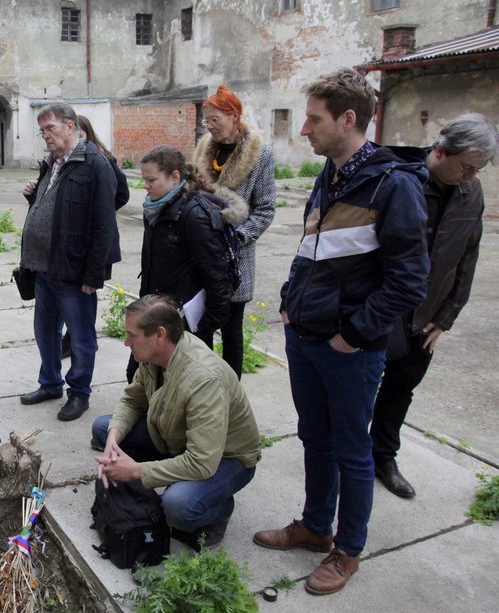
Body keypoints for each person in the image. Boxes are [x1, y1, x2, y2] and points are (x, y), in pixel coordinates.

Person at [253, 68, 429, 596]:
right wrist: (288, 304)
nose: (304, 129)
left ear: (347, 119)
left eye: (313, 119)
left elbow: (409, 282)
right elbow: (312, 252)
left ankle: (347, 549)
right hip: (304, 336)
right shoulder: (330, 175)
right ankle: (314, 525)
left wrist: (353, 334)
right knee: (315, 438)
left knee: (353, 449)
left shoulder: (394, 184)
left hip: (347, 348)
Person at [370, 113, 499, 499]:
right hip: (382, 313)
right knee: (357, 391)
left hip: (425, 319)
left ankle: (383, 457)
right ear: (441, 151)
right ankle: (348, 458)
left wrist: (445, 318)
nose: (471, 177)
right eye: (467, 167)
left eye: (478, 170)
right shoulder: (398, 181)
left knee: (401, 389)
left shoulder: (470, 193)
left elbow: (468, 256)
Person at [92, 294, 260, 550]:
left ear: (159, 334)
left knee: (178, 506)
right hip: (175, 436)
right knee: (104, 429)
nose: (126, 342)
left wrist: (137, 471)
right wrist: (114, 440)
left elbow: (202, 462)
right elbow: (132, 400)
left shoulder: (203, 380)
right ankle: (173, 474)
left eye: (132, 336)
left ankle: (219, 508)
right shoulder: (155, 356)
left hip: (225, 458)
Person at [19, 102, 118, 421]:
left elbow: (104, 224)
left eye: (50, 128)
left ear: (71, 126)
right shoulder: (52, 163)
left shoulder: (94, 164)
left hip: (75, 271)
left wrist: (93, 274)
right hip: (44, 268)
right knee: (45, 331)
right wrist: (35, 197)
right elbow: (56, 209)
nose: (45, 135)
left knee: (81, 335)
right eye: (42, 130)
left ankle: (79, 393)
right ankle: (50, 383)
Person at [126, 145, 236, 382]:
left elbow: (217, 279)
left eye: (151, 179)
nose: (145, 185)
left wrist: (201, 329)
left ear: (175, 177)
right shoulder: (157, 209)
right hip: (153, 314)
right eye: (144, 179)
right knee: (139, 379)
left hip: (181, 325)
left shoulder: (193, 215)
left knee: (178, 389)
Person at [193, 84, 277, 379]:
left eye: (215, 119)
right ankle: (201, 384)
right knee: (198, 324)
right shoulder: (205, 150)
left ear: (234, 116)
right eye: (207, 120)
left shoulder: (259, 155)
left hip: (235, 257)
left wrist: (238, 237)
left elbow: (265, 209)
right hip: (200, 251)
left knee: (231, 329)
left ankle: (231, 392)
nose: (210, 126)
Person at [60, 115, 129, 359]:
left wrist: (99, 211)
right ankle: (73, 338)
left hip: (99, 241)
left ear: (85, 132)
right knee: (76, 292)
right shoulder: (67, 160)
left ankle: (80, 340)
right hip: (76, 241)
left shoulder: (102, 160)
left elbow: (121, 194)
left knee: (86, 292)